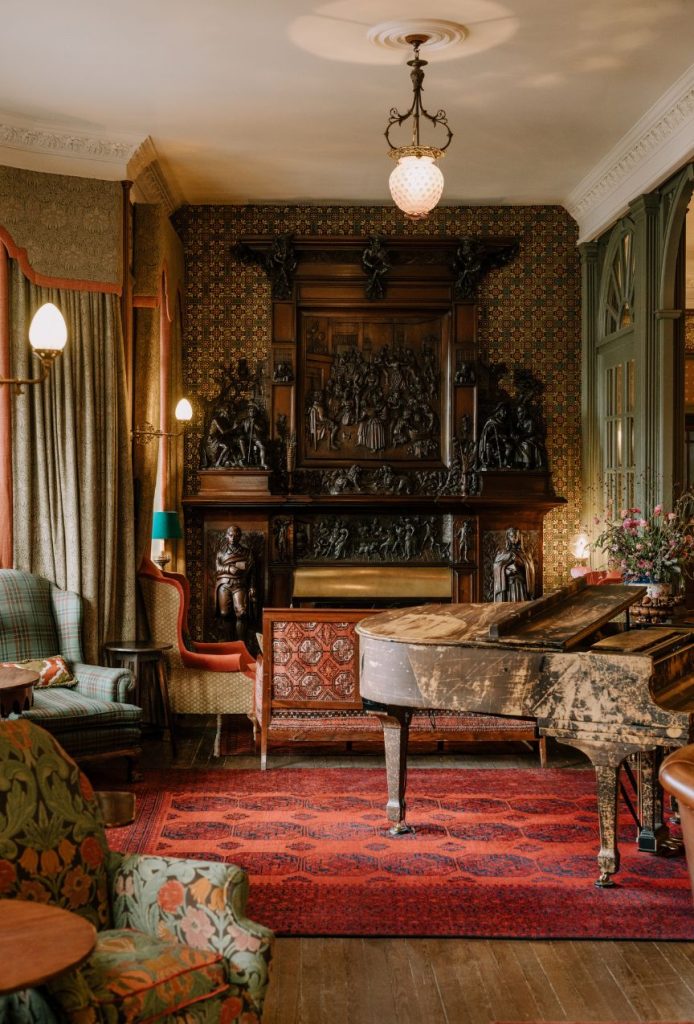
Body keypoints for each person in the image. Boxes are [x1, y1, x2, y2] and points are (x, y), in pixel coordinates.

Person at [215, 525, 255, 641]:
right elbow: (218, 568)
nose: (233, 538)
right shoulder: (221, 553)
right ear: (227, 536)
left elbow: (252, 571)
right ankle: (228, 643)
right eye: (231, 535)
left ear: (240, 537)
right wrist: (229, 569)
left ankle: (241, 644)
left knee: (241, 613)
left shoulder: (247, 553)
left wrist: (252, 586)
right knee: (225, 614)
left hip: (239, 584)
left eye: (236, 535)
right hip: (224, 584)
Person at [493, 527, 535, 602]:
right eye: (511, 536)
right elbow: (496, 567)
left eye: (516, 536)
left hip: (521, 583)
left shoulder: (525, 553)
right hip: (508, 586)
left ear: (519, 537)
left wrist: (521, 563)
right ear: (508, 537)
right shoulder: (502, 553)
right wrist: (505, 571)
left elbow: (530, 569)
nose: (514, 538)